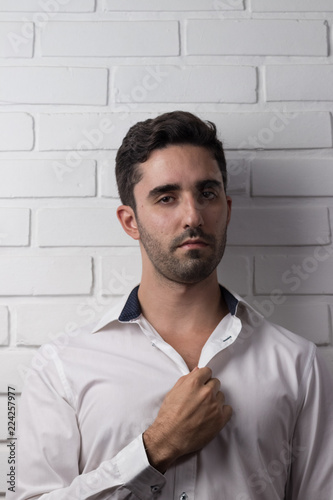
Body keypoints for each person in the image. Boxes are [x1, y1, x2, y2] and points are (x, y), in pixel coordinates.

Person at [11, 111, 333, 500]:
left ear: (226, 209)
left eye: (207, 194)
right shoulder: (61, 368)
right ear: (130, 221)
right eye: (166, 197)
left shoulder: (299, 365)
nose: (193, 216)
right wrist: (156, 449)